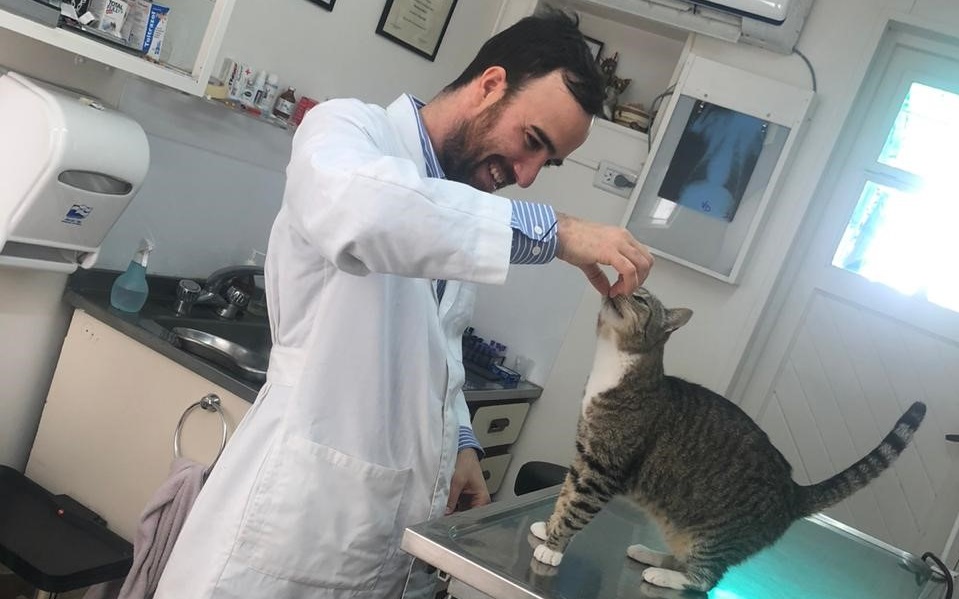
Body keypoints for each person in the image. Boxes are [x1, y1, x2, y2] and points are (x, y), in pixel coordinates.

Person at [154, 9, 653, 599]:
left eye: (548, 162)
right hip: (289, 533)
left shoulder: (457, 201)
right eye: (532, 142)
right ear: (491, 84)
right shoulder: (347, 131)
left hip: (380, 542)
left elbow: (437, 354)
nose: (527, 177)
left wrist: (460, 443)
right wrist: (556, 233)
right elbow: (364, 213)